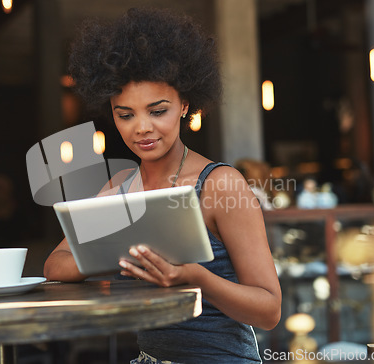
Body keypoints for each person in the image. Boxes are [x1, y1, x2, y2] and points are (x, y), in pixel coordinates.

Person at [44, 8, 281, 363]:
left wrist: (193, 277)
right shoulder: (121, 186)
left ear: (185, 104)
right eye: (125, 114)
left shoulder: (219, 185)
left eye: (157, 111)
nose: (141, 128)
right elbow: (55, 265)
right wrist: (114, 251)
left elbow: (269, 309)